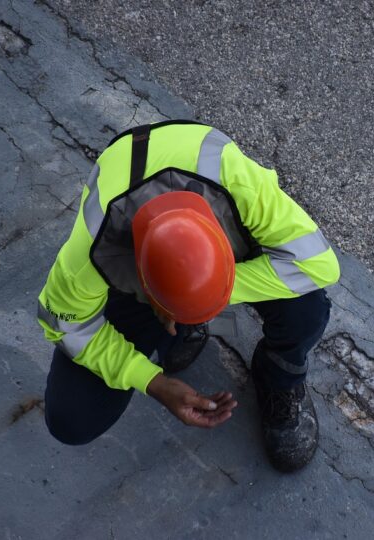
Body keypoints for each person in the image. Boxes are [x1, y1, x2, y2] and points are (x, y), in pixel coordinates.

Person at [37, 121, 339, 472]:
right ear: (143, 284)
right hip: (142, 280)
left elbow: (320, 264)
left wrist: (212, 292)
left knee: (307, 307)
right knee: (72, 419)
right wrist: (153, 382)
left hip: (216, 261)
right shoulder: (90, 254)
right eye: (175, 309)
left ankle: (278, 374)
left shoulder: (239, 185)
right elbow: (65, 325)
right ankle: (175, 329)